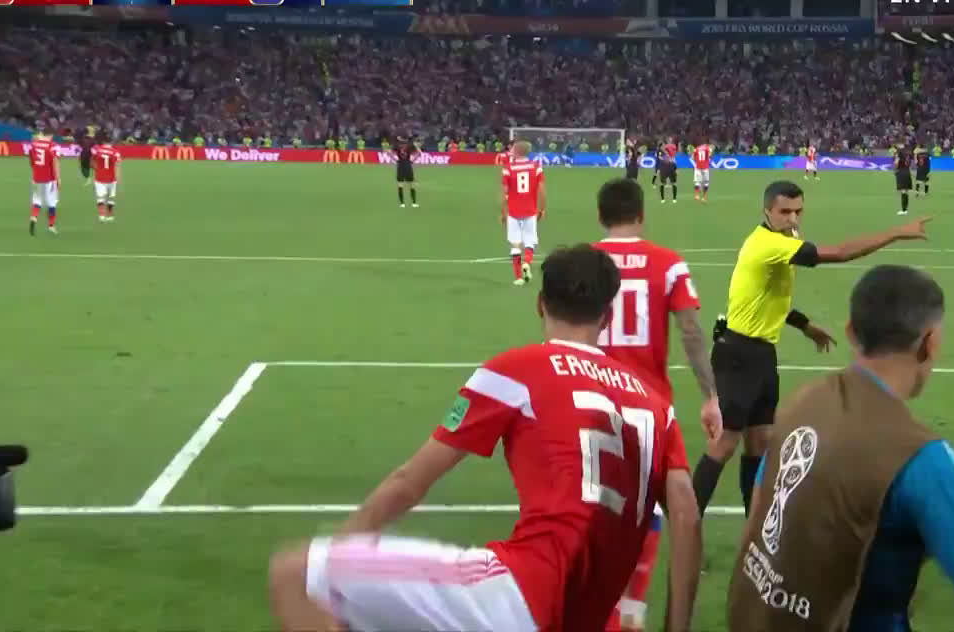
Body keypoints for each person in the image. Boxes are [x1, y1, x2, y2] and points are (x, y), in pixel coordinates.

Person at [267, 244, 702, 632]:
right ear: (606, 316)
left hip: (520, 594)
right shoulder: (656, 405)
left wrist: (343, 551)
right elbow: (686, 515)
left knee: (297, 574)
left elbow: (409, 483)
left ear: (540, 304)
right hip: (587, 613)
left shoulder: (517, 371)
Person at [728, 264, 954, 632]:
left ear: (850, 331)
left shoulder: (801, 404)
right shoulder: (921, 460)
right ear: (929, 344)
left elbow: (757, 521)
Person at [691, 181, 931, 518]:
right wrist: (897, 232)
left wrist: (804, 325)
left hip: (761, 355)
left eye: (798, 212)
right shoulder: (767, 244)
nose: (792, 219)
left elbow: (764, 299)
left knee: (759, 446)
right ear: (767, 211)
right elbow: (839, 253)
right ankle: (687, 522)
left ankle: (753, 527)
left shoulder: (780, 243)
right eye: (784, 212)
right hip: (738, 356)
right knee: (724, 444)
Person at [592, 178, 720, 632]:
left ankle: (596, 608)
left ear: (601, 216)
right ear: (641, 215)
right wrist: (710, 397)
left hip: (589, 399)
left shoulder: (584, 262)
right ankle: (638, 610)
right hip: (650, 406)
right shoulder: (668, 263)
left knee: (596, 505)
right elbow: (691, 332)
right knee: (666, 507)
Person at [501, 140, 546, 286]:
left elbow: (505, 193)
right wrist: (542, 208)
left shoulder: (508, 168)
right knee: (530, 240)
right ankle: (527, 262)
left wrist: (503, 211)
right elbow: (541, 189)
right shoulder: (536, 167)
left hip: (513, 211)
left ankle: (519, 277)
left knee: (515, 243)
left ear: (516, 151)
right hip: (530, 210)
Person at [28, 131, 60, 236]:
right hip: (49, 179)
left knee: (37, 200)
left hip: (36, 177)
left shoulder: (34, 145)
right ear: (51, 135)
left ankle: (34, 217)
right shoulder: (53, 146)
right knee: (52, 203)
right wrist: (58, 178)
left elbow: (31, 162)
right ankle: (51, 226)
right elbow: (55, 162)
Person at [91, 138, 121, 222]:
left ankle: (101, 216)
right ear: (111, 142)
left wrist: (97, 169)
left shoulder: (97, 150)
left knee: (100, 197)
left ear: (103, 142)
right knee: (110, 197)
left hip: (99, 178)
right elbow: (117, 166)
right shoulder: (115, 152)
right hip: (111, 178)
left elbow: (91, 162)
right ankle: (110, 216)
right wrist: (118, 179)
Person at [396, 137, 418, 208]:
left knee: (400, 185)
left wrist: (395, 160)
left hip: (401, 166)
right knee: (411, 184)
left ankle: (402, 203)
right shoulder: (409, 147)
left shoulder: (397, 147)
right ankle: (414, 203)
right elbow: (419, 153)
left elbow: (388, 152)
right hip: (408, 166)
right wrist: (412, 161)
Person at [894, 145, 914, 214]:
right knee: (906, 191)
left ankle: (903, 210)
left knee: (903, 191)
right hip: (907, 172)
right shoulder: (908, 155)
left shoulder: (899, 155)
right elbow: (910, 164)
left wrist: (895, 170)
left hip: (901, 173)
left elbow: (896, 163)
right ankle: (905, 209)